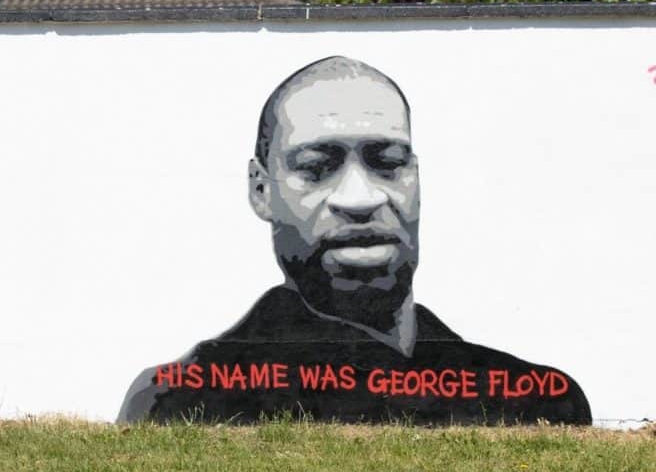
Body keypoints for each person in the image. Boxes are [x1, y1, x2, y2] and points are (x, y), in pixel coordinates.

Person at [118, 55, 591, 425]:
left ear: (417, 179)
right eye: (316, 168)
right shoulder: (182, 400)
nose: (360, 198)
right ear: (262, 191)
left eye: (388, 161)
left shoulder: (535, 398)